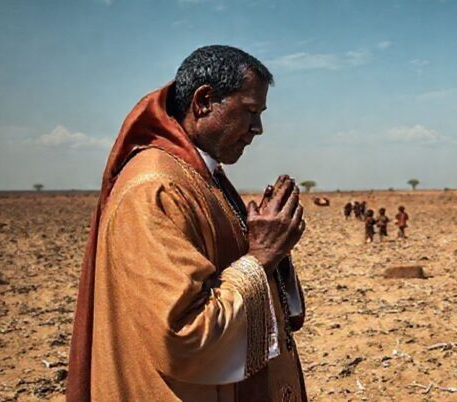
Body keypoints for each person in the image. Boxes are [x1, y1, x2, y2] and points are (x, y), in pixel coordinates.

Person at [67, 46, 308, 401]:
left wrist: (275, 249)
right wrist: (262, 256)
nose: (258, 129)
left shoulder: (201, 178)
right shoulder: (155, 189)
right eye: (250, 112)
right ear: (204, 101)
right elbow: (182, 332)